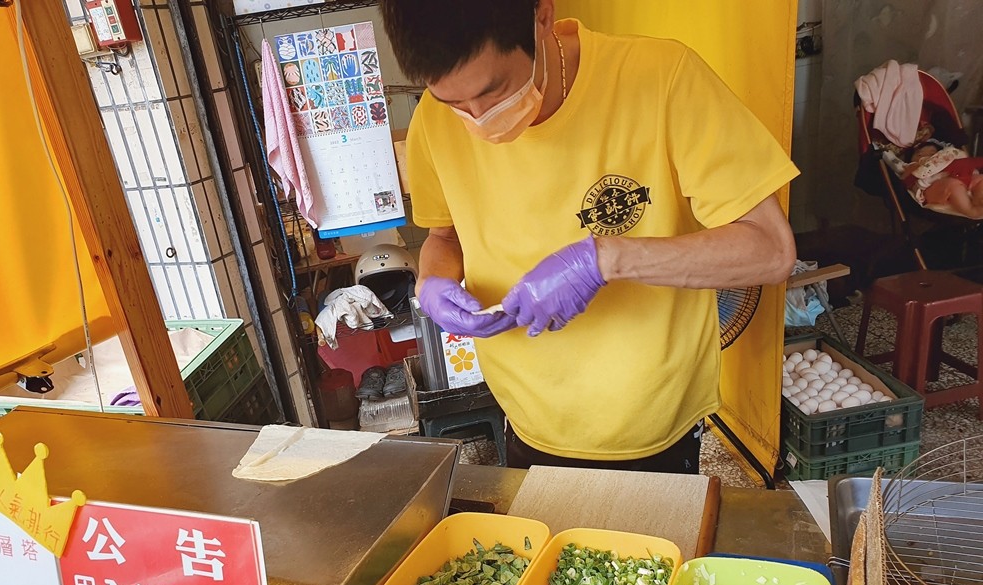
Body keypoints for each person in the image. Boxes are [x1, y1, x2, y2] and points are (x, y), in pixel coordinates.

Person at [379, 0, 798, 473]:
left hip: (651, 421)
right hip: (527, 413)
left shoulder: (661, 77)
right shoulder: (432, 126)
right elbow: (444, 236)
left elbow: (769, 248)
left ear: (540, 17)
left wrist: (605, 259)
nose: (479, 121)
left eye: (494, 91)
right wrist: (432, 283)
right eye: (454, 104)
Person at [885, 139, 983, 219]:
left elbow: (952, 157)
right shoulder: (912, 166)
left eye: (932, 152)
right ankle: (971, 210)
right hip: (932, 187)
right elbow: (899, 170)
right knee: (953, 185)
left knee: (979, 179)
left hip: (959, 174)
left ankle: (980, 199)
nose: (923, 155)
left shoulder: (942, 158)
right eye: (919, 154)